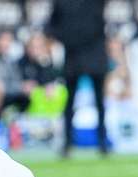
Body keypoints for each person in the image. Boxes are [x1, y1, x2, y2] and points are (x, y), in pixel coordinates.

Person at [47, 0, 109, 156]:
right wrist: (68, 39)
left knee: (99, 101)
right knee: (70, 102)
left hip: (94, 53)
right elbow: (52, 26)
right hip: (74, 55)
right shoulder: (61, 3)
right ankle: (67, 142)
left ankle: (102, 141)